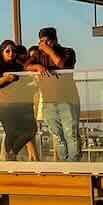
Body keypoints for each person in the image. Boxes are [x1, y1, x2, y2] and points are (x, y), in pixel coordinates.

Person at [0, 40, 39, 160]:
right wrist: (6, 79)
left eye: (13, 51)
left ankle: (12, 154)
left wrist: (33, 82)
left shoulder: (18, 64)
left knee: (31, 130)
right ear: (1, 52)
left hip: (18, 102)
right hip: (2, 103)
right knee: (11, 131)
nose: (11, 53)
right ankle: (10, 158)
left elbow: (25, 75)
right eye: (7, 51)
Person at [36, 27, 81, 161]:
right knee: (58, 135)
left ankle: (74, 164)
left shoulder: (68, 52)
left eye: (47, 41)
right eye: (41, 42)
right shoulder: (39, 56)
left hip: (67, 100)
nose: (44, 44)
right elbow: (26, 65)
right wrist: (38, 67)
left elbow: (61, 64)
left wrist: (49, 51)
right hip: (48, 101)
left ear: (54, 40)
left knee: (71, 134)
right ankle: (64, 162)